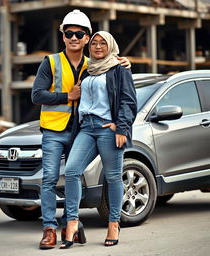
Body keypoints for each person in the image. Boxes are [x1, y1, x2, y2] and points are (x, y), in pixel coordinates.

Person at [31, 10, 131, 250]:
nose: (74, 37)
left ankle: (83, 225)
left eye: (80, 34)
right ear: (63, 36)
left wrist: (122, 126)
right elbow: (36, 94)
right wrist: (68, 96)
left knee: (104, 175)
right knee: (53, 178)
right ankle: (51, 228)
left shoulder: (100, 65)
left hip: (89, 130)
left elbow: (125, 96)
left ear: (85, 37)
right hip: (58, 130)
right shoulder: (53, 62)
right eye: (69, 33)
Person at [60, 31, 137, 249]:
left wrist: (120, 127)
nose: (98, 46)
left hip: (108, 129)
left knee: (113, 177)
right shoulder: (87, 71)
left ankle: (114, 223)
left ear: (111, 45)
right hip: (86, 128)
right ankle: (73, 223)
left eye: (103, 42)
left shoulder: (120, 69)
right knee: (72, 170)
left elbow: (128, 100)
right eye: (94, 43)